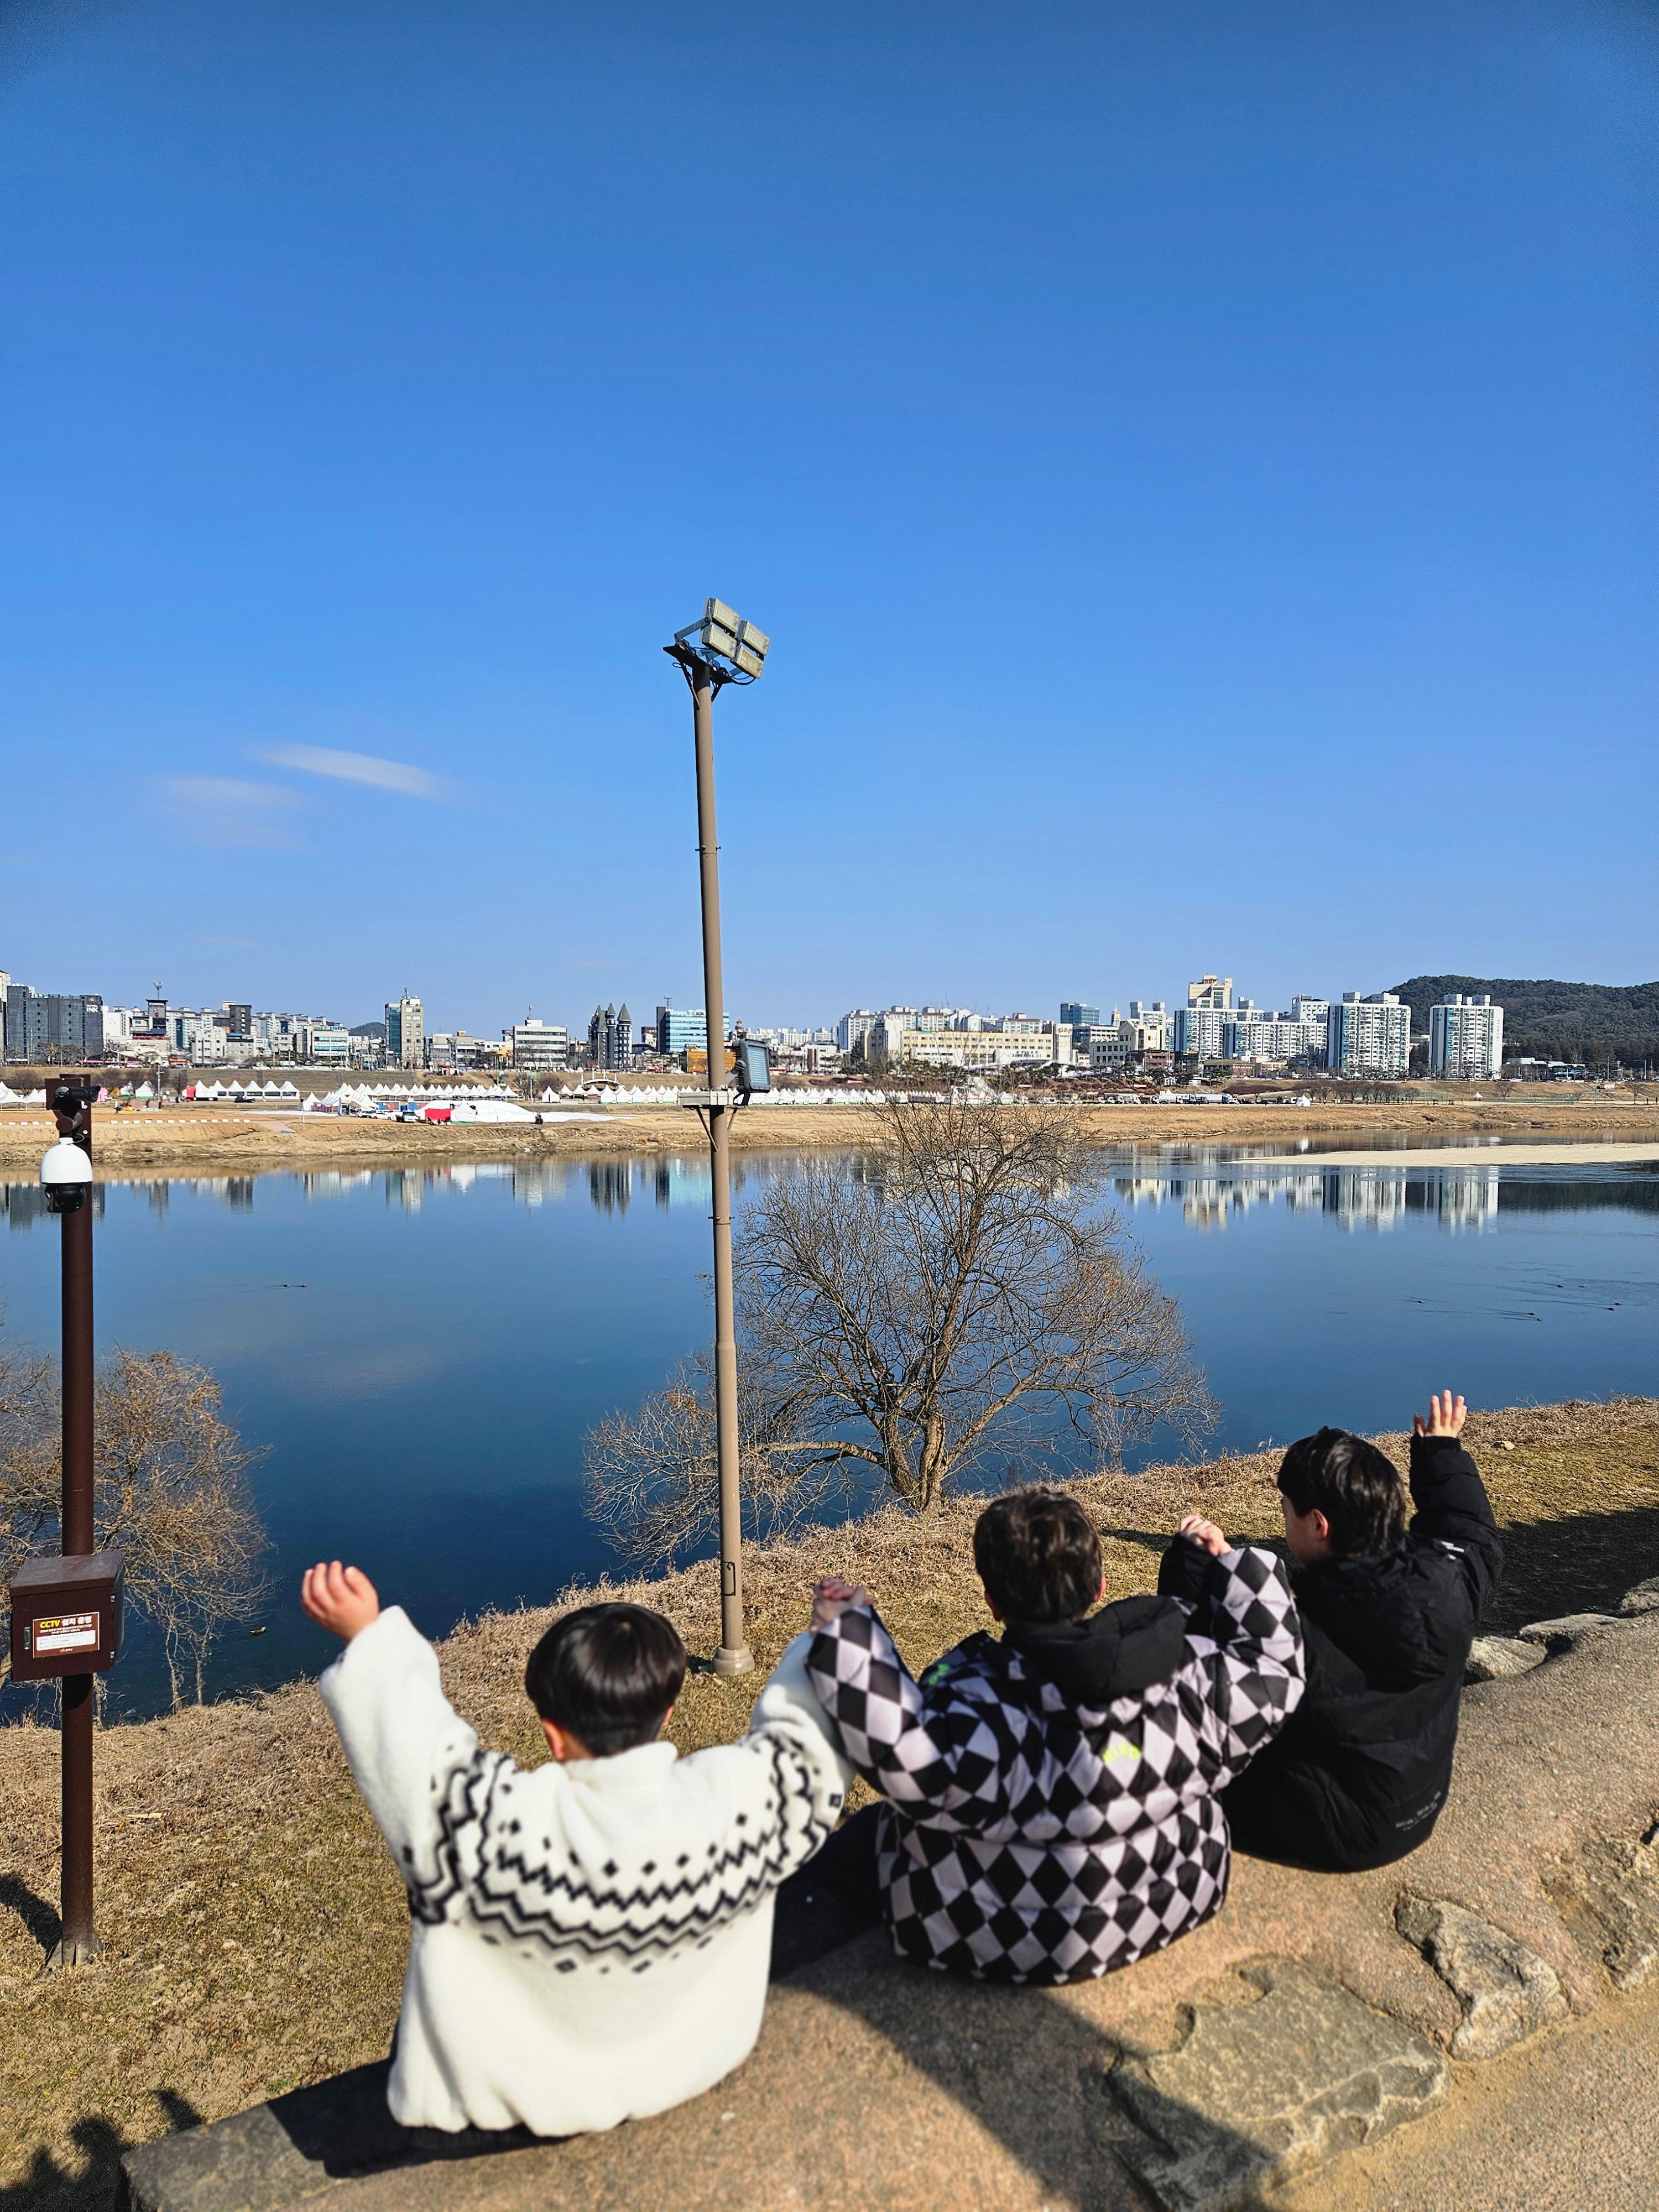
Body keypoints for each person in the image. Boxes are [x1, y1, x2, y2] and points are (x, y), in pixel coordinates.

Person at [300, 1561, 851, 2136]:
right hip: (690, 2071)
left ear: (552, 1735)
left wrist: (366, 1635)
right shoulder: (740, 1808)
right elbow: (805, 1750)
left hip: (497, 2116)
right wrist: (826, 1641)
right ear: (667, 1713)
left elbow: (410, 1748)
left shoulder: (488, 1834)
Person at [781, 1486, 1303, 1985]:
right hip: (1176, 1902)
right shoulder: (1190, 1683)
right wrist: (1232, 1564)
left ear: (992, 1601)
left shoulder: (979, 1717)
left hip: (993, 1941)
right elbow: (1273, 1665)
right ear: (1100, 1589)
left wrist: (847, 1630)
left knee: (869, 1837)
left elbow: (900, 1747)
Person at [1158, 1390, 1501, 1872]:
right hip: (1418, 1804)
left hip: (1335, 1831)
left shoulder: (1301, 1628)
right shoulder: (1449, 1581)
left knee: (1162, 1762)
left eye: (1287, 1510)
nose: (1284, 1519)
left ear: (1319, 1524)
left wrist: (1197, 1566)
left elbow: (1200, 1669)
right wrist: (1441, 1452)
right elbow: (1471, 1533)